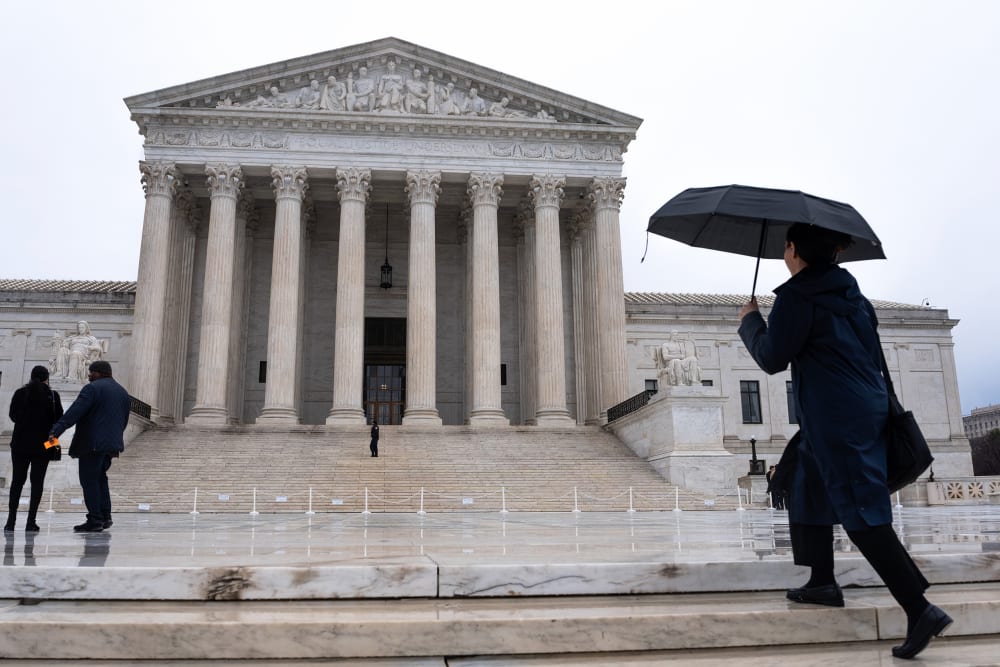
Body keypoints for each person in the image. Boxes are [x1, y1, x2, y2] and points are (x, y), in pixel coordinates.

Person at [737, 222, 951, 660]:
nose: (783, 253)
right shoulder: (855, 298)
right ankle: (822, 581)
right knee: (806, 481)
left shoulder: (798, 297)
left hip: (838, 419)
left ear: (795, 250)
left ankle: (919, 608)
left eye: (786, 246)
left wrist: (751, 322)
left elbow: (773, 358)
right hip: (859, 409)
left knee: (862, 511)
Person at [49, 360, 131, 533]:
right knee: (101, 478)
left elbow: (74, 413)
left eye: (91, 372)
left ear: (98, 373)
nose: (88, 375)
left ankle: (95, 518)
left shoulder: (92, 389)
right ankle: (105, 516)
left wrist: (54, 432)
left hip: (92, 443)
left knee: (89, 480)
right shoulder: (122, 392)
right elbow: (123, 420)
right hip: (110, 445)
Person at [5, 366, 63, 532]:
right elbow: (59, 418)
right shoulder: (52, 396)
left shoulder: (21, 393)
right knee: (37, 483)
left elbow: (13, 416)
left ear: (31, 377)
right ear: (47, 378)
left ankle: (11, 521)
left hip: (20, 444)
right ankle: (31, 521)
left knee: (17, 482)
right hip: (43, 446)